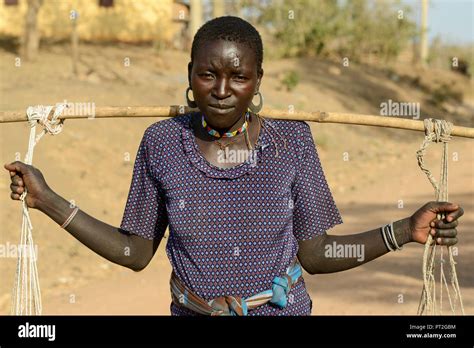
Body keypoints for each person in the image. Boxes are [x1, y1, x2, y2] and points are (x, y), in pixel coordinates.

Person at [4, 16, 464, 316]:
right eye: (209, 74)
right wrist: (47, 200)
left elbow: (316, 253)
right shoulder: (162, 143)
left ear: (257, 80)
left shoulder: (292, 141)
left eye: (239, 76)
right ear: (190, 75)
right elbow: (135, 253)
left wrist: (406, 229)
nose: (222, 89)